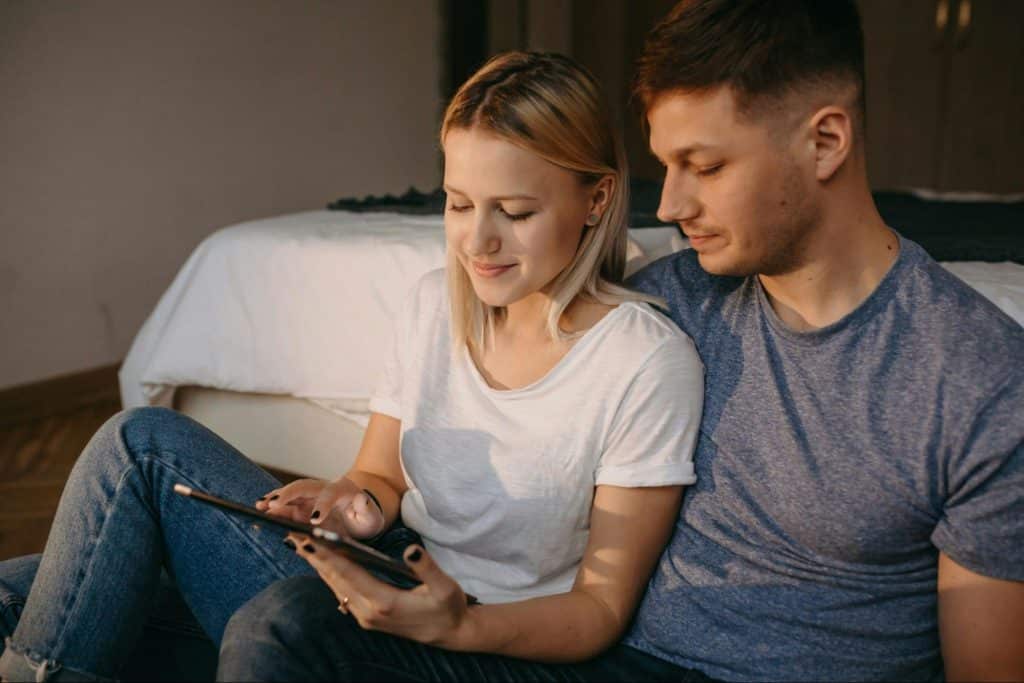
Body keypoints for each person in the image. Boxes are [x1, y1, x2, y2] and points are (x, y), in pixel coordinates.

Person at [217, 1, 1024, 681]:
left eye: (703, 165)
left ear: (825, 142)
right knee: (275, 608)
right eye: (664, 166)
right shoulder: (677, 292)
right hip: (594, 656)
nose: (670, 204)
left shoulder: (979, 379)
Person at [0, 51, 705, 682]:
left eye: (515, 211)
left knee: (138, 465)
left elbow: (600, 606)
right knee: (22, 583)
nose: (478, 240)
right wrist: (348, 503)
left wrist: (457, 624)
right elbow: (381, 476)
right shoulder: (435, 304)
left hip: (482, 637)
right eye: (459, 204)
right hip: (384, 573)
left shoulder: (642, 360)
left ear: (598, 199)